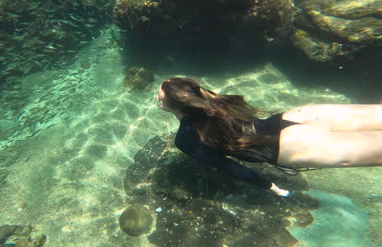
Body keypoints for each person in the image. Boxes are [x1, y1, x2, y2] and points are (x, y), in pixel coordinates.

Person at [157, 77, 382, 196]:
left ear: (174, 104)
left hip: (291, 147)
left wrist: (269, 186)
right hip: (296, 115)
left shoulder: (185, 139)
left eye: (159, 97)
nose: (157, 100)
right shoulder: (214, 101)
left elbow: (230, 167)